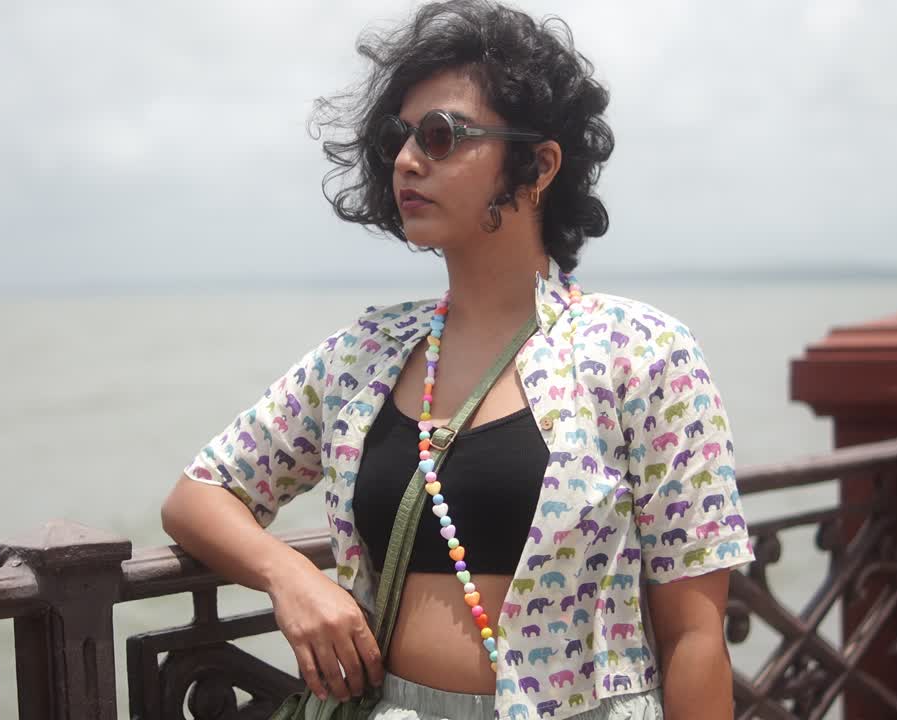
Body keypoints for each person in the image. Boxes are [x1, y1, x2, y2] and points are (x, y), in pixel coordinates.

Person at [160, 2, 754, 718]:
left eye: (442, 136)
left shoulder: (642, 353)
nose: (408, 160)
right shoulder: (366, 355)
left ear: (537, 165)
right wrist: (290, 576)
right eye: (399, 138)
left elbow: (694, 635)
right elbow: (199, 495)